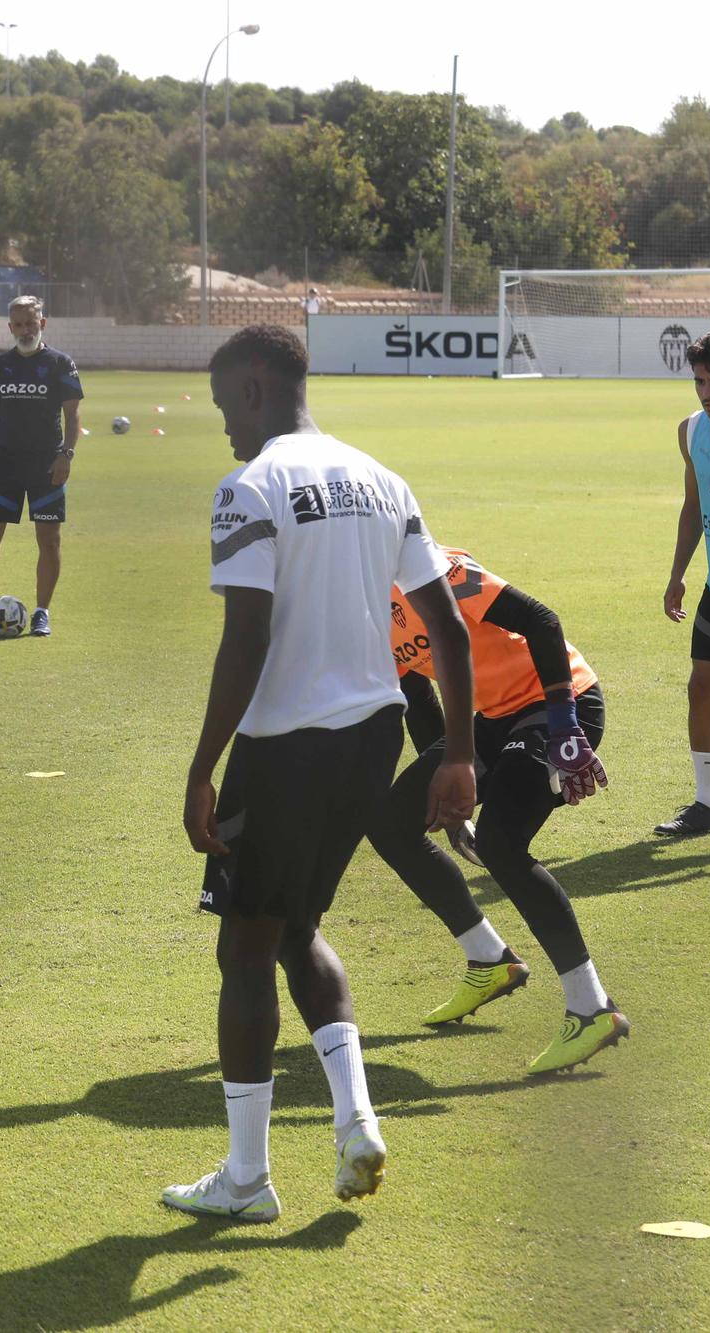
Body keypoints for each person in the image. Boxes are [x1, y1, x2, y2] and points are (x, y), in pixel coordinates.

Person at [166, 324, 476, 1224]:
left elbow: (247, 635)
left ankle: (247, 1178)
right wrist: (459, 754)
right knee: (298, 928)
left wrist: (203, 767)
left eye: (225, 406)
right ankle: (356, 1120)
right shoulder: (383, 479)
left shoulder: (250, 486)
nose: (227, 428)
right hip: (374, 737)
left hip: (286, 743)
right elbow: (449, 631)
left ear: (254, 385)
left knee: (245, 945)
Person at [364, 545, 627, 1075]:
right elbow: (415, 691)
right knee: (390, 824)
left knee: (501, 844)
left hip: (559, 704)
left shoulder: (437, 568)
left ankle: (591, 1008)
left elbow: (541, 621)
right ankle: (488, 959)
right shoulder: (363, 607)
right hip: (490, 720)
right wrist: (450, 790)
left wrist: (564, 722)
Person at [0, 295, 83, 639]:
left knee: (49, 540)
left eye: (31, 323)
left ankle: (42, 612)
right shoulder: (0, 365)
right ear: (10, 327)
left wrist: (66, 455)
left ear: (42, 323)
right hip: (5, 465)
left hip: (47, 465)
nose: (25, 330)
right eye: (18, 324)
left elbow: (72, 414)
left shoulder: (61, 363)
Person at [656, 330, 710, 837]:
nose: (708, 391)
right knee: (701, 690)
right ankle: (707, 807)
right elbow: (694, 504)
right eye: (700, 381)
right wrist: (677, 573)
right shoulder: (690, 432)